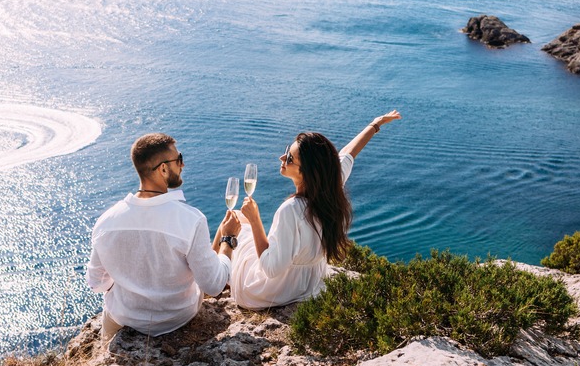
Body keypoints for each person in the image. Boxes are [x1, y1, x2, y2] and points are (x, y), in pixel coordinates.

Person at [230, 110, 402, 310]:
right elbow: (348, 154)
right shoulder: (330, 189)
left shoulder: (290, 210)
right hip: (309, 285)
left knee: (237, 223)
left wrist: (255, 220)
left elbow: (270, 268)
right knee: (241, 225)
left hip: (271, 292)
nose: (281, 157)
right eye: (287, 151)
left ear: (306, 172)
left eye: (290, 159)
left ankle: (212, 280)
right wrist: (375, 124)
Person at [86, 133, 241, 342]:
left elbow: (96, 283)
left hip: (124, 319)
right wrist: (227, 239)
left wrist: (131, 286)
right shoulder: (190, 219)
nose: (183, 165)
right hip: (177, 319)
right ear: (163, 169)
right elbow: (213, 286)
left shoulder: (106, 221)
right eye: (179, 160)